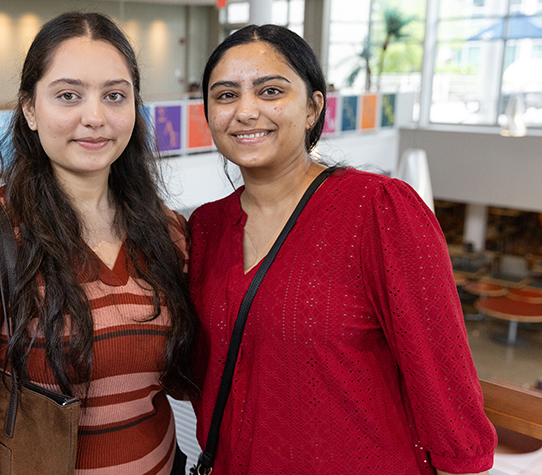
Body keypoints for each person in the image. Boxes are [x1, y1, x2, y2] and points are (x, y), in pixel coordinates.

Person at [189, 24, 496, 475]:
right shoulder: (205, 228)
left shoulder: (379, 210)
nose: (246, 111)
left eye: (270, 91)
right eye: (226, 95)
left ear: (313, 107)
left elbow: (442, 375)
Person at [0, 12, 196, 474]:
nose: (95, 118)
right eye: (68, 96)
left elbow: (181, 378)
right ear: (30, 109)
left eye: (114, 96)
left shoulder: (166, 231)